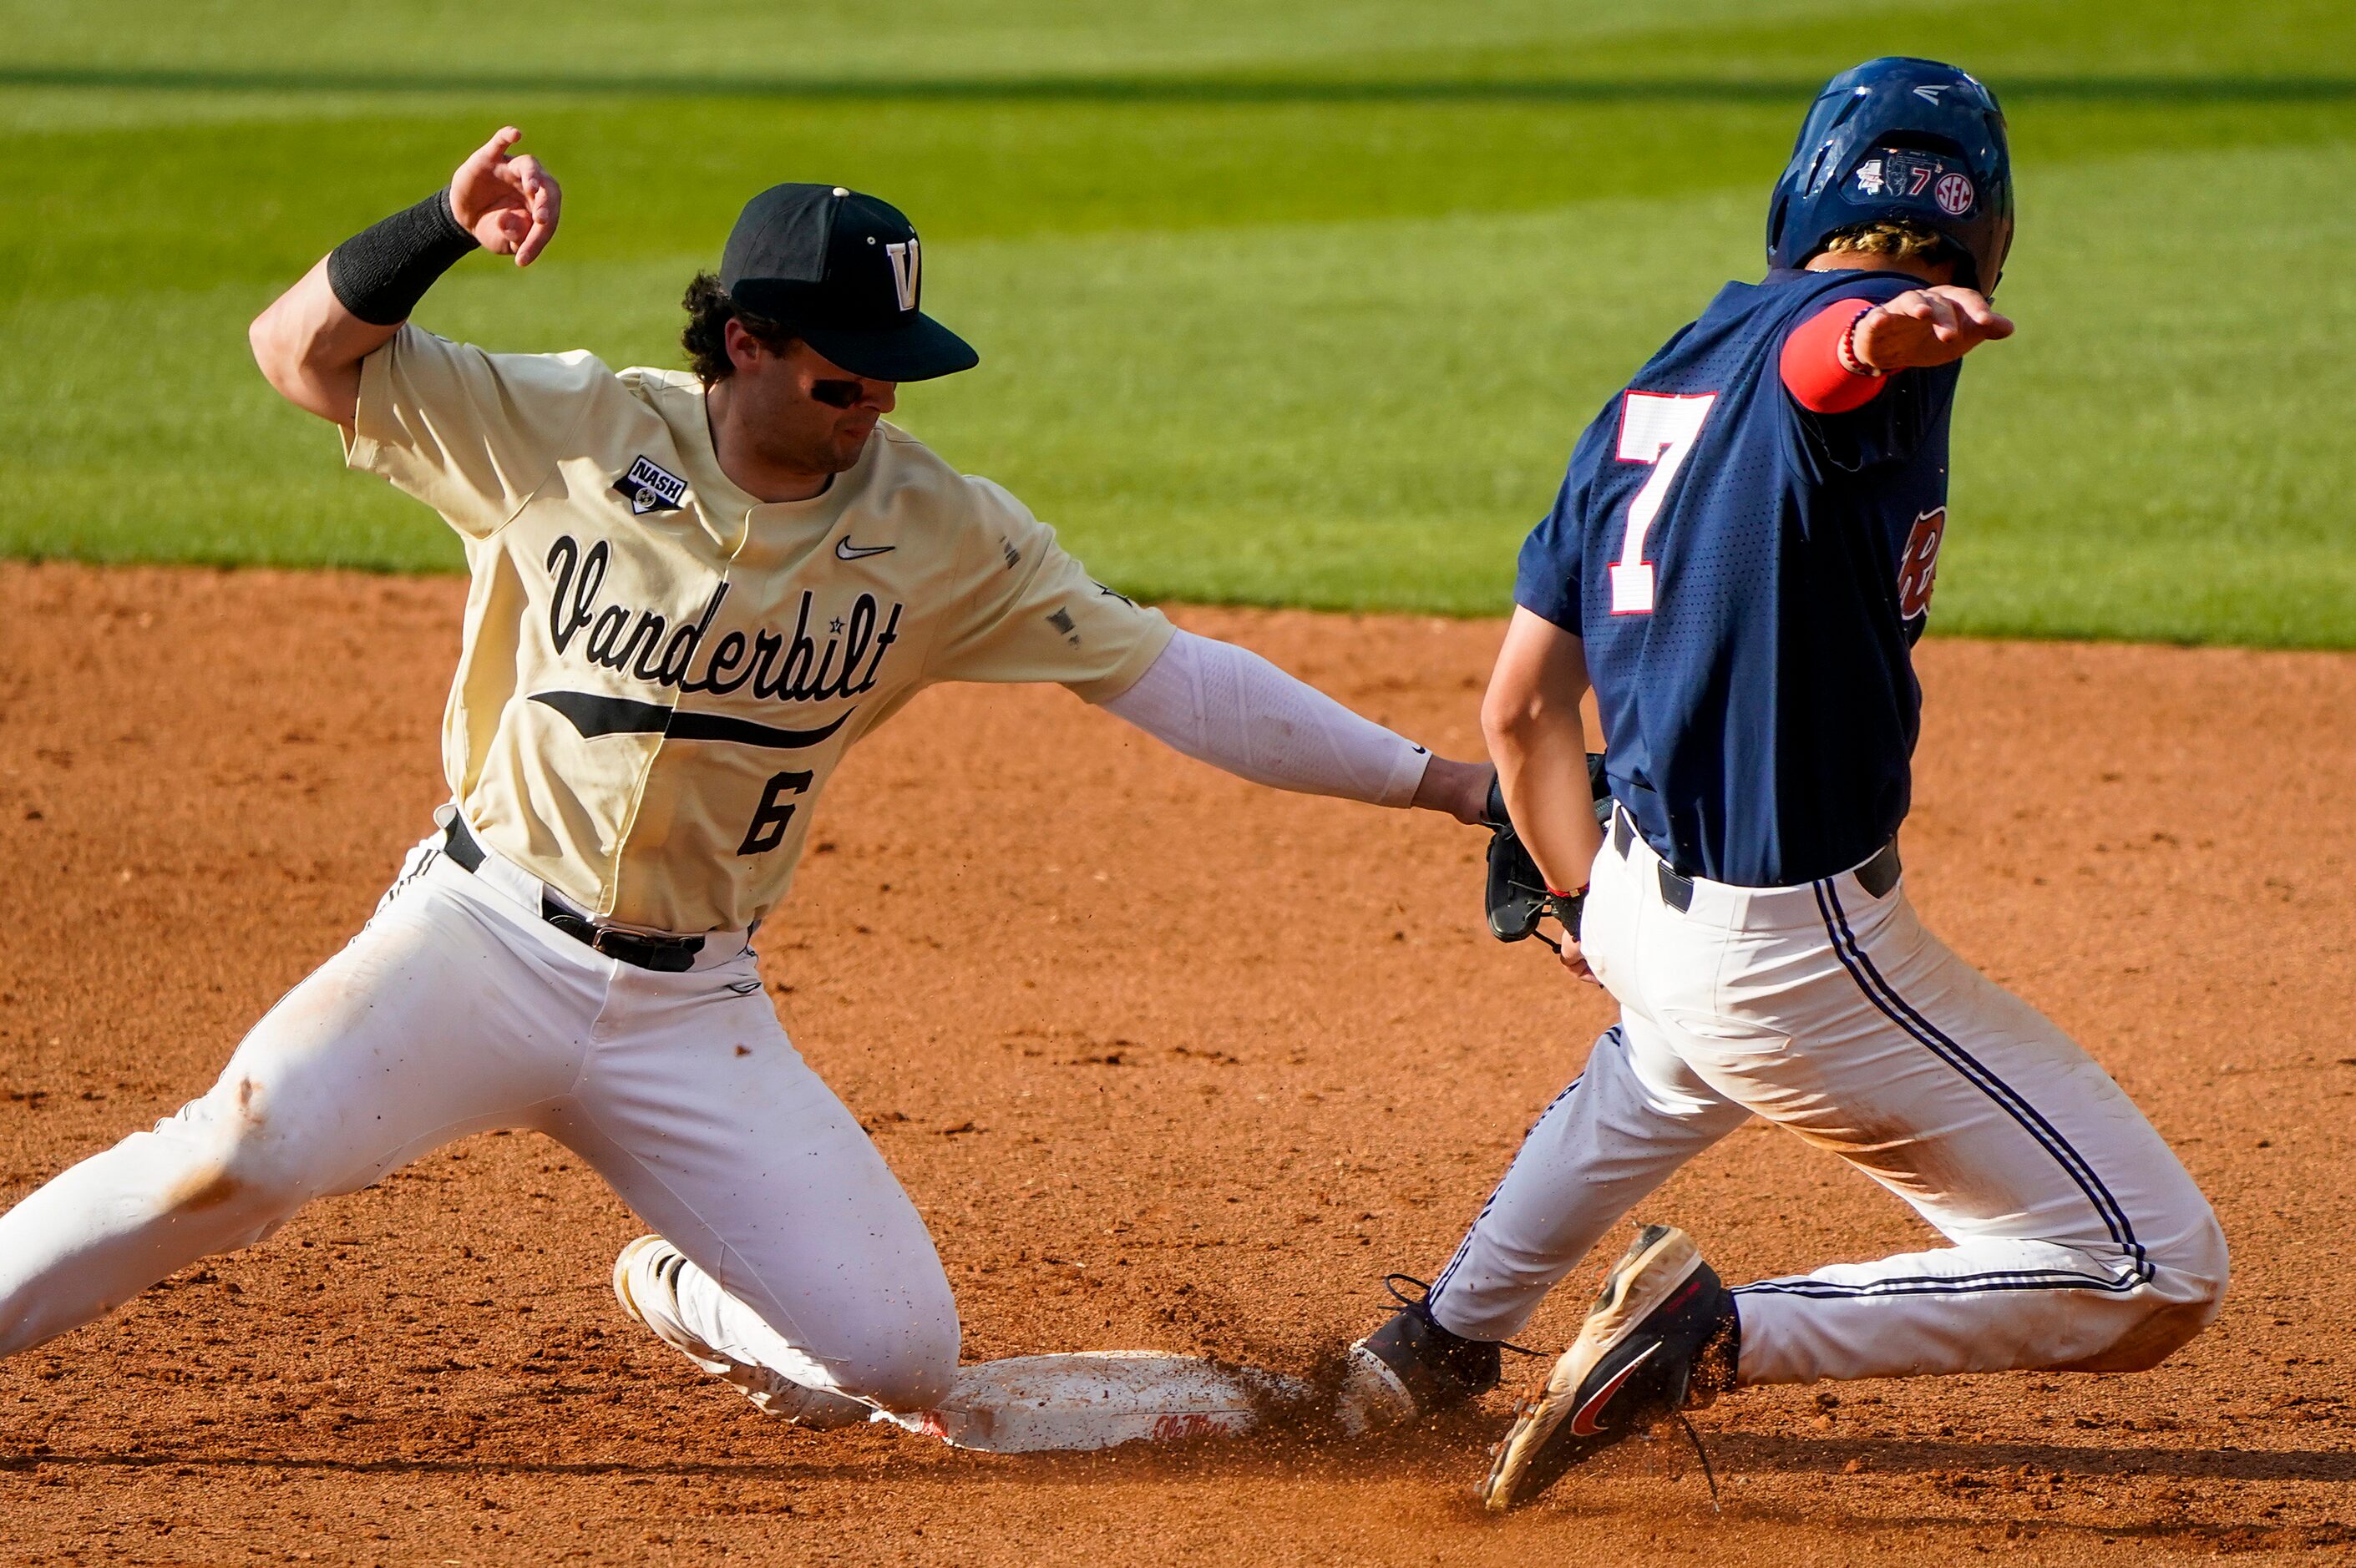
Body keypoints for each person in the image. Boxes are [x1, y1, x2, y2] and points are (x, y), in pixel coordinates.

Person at [0, 128, 1492, 1433]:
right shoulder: (567, 428)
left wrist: (1447, 785)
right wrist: (440, 231)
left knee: (899, 1353)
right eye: (847, 379)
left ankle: (689, 1292)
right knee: (237, 1152)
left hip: (686, 1001)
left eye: (896, 379)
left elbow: (1179, 681)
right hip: (479, 942)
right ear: (746, 346)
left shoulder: (945, 530)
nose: (878, 412)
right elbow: (298, 354)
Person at [1335, 59, 2227, 1508]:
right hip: (1793, 951)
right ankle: (1714, 1332)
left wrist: (1582, 896)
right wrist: (1892, 329)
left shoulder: (1648, 386)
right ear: (1986, 232)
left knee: (1664, 1059)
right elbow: (1835, 365)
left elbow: (1518, 716)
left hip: (1636, 889)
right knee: (2155, 1270)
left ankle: (1433, 1349)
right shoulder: (1857, 347)